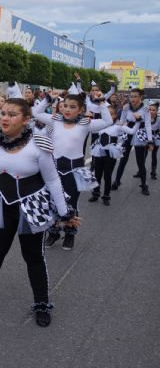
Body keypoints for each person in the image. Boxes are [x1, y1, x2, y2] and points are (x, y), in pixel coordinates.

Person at [0, 98, 78, 327]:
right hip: (3, 205)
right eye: (3, 113)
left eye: (12, 114)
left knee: (33, 256)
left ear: (26, 120)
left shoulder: (39, 144)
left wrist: (65, 211)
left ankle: (42, 303)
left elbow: (53, 180)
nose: (5, 117)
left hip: (32, 208)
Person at [32, 90, 112, 250]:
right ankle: (53, 233)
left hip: (74, 169)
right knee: (52, 202)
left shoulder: (85, 124)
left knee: (71, 203)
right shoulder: (55, 121)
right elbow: (36, 112)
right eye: (65, 106)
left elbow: (108, 121)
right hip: (53, 168)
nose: (67, 109)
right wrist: (48, 99)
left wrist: (102, 103)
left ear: (81, 109)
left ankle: (69, 234)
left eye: (72, 107)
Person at [88, 104, 136, 205]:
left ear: (115, 116)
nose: (108, 116)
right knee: (97, 175)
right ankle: (96, 193)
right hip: (99, 152)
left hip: (110, 154)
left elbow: (131, 132)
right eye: (106, 114)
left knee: (107, 176)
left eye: (111, 114)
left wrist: (139, 122)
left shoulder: (118, 126)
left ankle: (106, 196)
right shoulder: (100, 125)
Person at [112, 88, 153, 192]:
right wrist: (116, 134)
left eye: (135, 96)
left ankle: (144, 185)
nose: (133, 98)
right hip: (128, 131)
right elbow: (122, 121)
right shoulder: (126, 107)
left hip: (140, 132)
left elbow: (148, 125)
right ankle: (117, 181)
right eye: (131, 96)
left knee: (140, 161)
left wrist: (150, 140)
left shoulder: (145, 109)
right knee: (123, 160)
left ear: (140, 97)